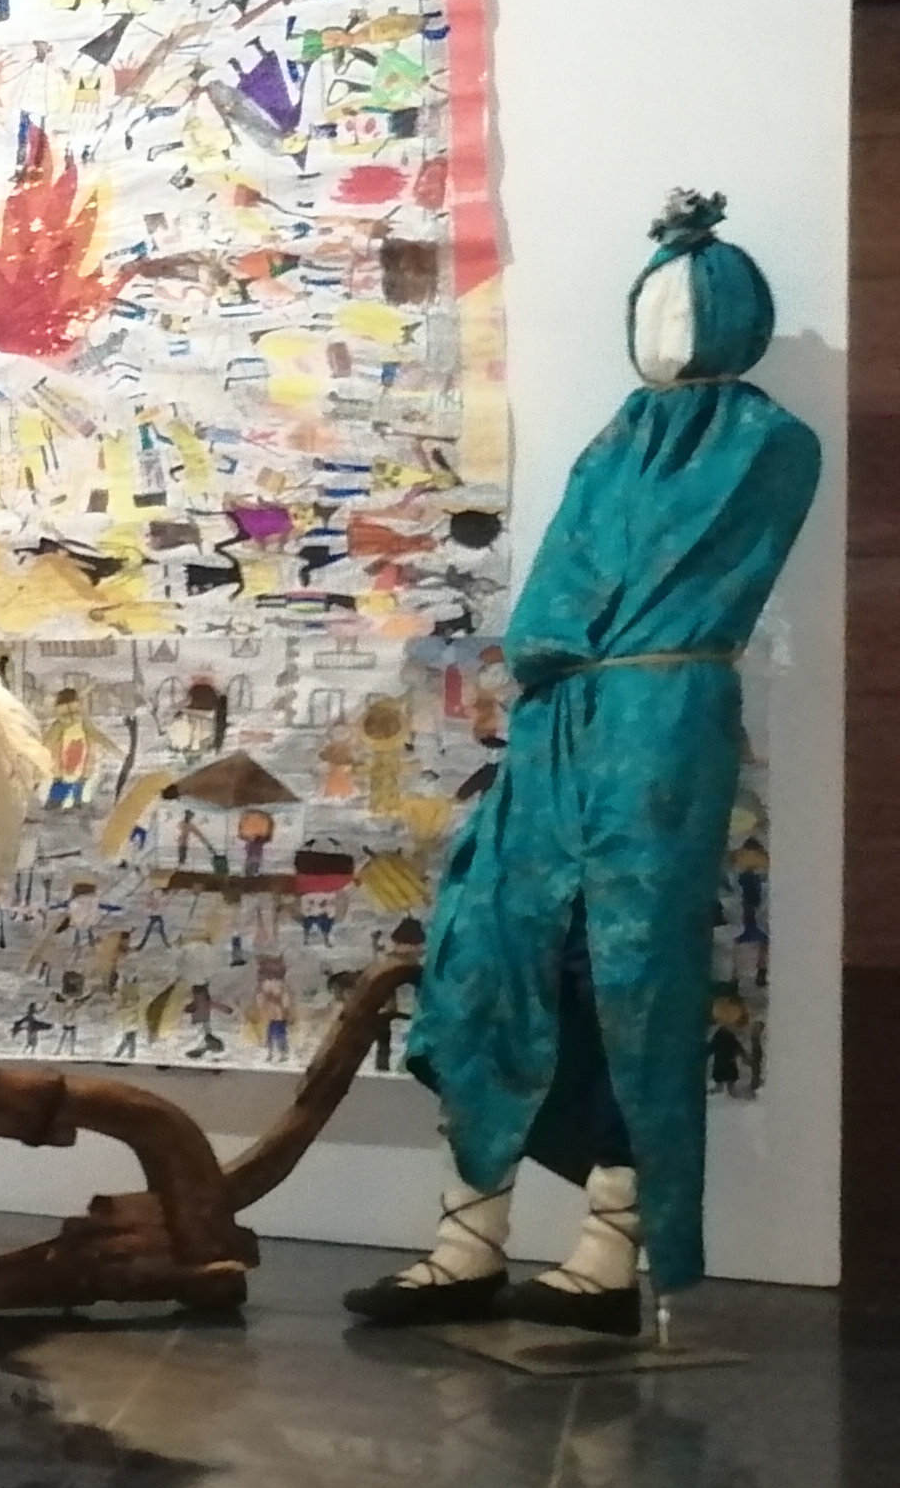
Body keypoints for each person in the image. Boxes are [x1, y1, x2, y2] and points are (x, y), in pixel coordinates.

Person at [350, 193, 819, 1338]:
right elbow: (560, 591)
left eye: (686, 306)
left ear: (733, 315)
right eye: (648, 306)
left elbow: (653, 577)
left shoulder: (767, 443)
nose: (662, 331)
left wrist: (586, 648)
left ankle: (608, 1253)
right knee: (489, 948)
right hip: (558, 717)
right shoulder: (614, 441)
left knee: (631, 974)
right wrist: (554, 661)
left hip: (661, 716)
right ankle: (466, 1242)